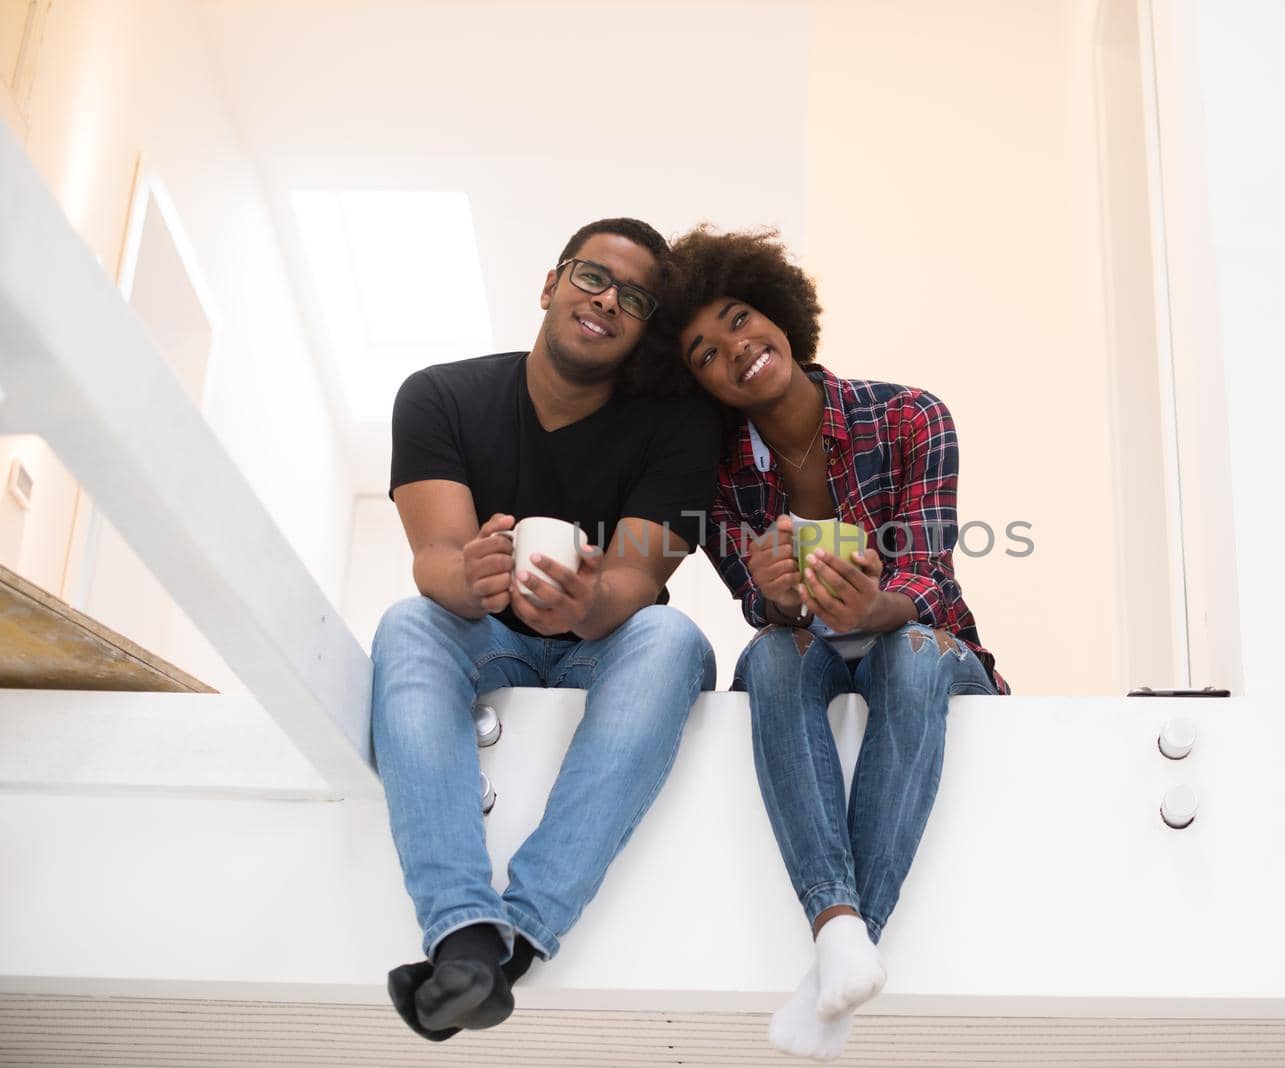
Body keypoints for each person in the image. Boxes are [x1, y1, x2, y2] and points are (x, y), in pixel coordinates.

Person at [663, 226, 1008, 1061]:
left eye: (742, 318)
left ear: (779, 311)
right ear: (697, 383)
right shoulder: (718, 477)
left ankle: (840, 950)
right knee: (767, 658)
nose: (735, 350)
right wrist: (777, 599)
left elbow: (929, 581)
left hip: (925, 650)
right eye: (706, 353)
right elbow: (757, 607)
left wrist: (874, 609)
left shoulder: (910, 414)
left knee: (912, 652)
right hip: (809, 655)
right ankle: (841, 937)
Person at [373, 217, 721, 1041]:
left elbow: (638, 579)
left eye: (634, 300)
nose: (607, 301)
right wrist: (470, 573)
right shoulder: (440, 394)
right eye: (593, 277)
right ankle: (461, 928)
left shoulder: (679, 429)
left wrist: (584, 605)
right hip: (481, 634)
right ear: (551, 283)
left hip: (603, 643)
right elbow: (434, 560)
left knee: (674, 640)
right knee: (407, 624)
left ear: (643, 333)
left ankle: (512, 940)